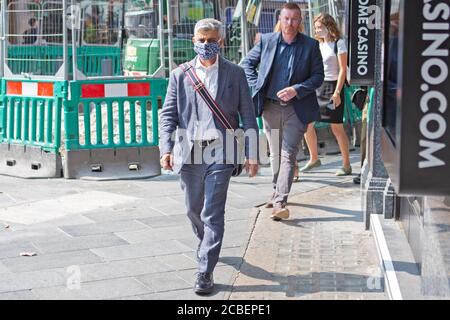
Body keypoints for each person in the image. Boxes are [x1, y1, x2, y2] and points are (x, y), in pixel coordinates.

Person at [159, 18, 259, 295]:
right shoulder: (180, 74)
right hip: (189, 150)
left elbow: (248, 116)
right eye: (201, 40)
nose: (206, 45)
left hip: (222, 149)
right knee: (193, 209)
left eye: (211, 40)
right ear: (193, 41)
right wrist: (165, 149)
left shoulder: (235, 74)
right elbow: (168, 114)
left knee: (212, 212)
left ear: (221, 42)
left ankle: (205, 270)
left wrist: (252, 154)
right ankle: (207, 244)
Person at [241, 3, 324, 221]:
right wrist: (258, 84)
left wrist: (296, 89)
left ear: (300, 21)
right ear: (280, 18)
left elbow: (318, 78)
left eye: (294, 19)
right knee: (275, 152)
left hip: (297, 109)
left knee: (289, 154)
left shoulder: (310, 46)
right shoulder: (267, 41)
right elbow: (246, 64)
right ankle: (277, 190)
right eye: (286, 19)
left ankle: (280, 201)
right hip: (270, 107)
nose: (290, 23)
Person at [300, 13, 352, 176]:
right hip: (317, 87)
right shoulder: (317, 45)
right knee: (307, 124)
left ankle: (346, 165)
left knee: (336, 126)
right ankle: (314, 159)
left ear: (329, 27)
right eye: (315, 28)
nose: (317, 30)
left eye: (319, 27)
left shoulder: (339, 43)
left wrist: (337, 93)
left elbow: (343, 69)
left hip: (332, 88)